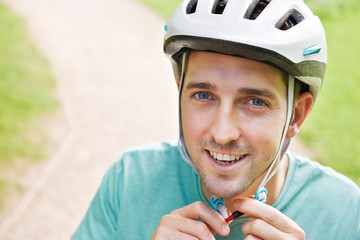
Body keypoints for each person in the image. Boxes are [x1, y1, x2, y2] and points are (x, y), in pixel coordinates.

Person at [72, 0, 360, 239]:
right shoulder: (129, 181)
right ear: (180, 92)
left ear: (296, 115)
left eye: (255, 102)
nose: (222, 134)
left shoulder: (346, 214)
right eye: (203, 95)